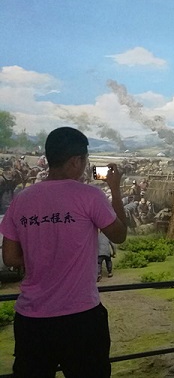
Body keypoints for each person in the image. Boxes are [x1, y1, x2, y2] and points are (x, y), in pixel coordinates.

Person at [0, 127, 127, 377]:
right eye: (85, 160)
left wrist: (42, 256)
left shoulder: (22, 199)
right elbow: (119, 235)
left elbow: (10, 257)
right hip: (81, 318)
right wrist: (115, 188)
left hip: (32, 320)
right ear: (75, 161)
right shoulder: (91, 196)